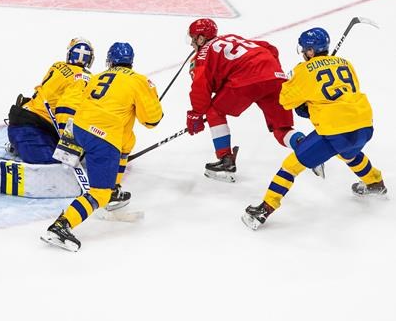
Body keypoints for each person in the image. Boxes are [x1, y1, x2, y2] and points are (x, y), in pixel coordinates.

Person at [241, 27, 387, 230]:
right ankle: (375, 182)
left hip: (335, 130)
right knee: (347, 153)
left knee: (290, 166)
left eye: (304, 49)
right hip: (364, 124)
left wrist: (294, 85)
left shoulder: (303, 70)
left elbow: (285, 101)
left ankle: (264, 210)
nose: (302, 52)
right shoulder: (345, 63)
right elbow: (345, 92)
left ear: (310, 51)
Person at [0, 38, 132, 209]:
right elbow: (67, 108)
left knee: (74, 154)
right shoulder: (84, 78)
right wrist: (70, 143)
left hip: (25, 124)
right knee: (55, 168)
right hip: (31, 130)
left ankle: (18, 147)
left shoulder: (58, 66)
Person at [40, 42, 163, 252]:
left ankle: (112, 189)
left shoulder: (97, 77)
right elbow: (151, 121)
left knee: (127, 140)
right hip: (102, 137)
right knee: (99, 193)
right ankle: (62, 225)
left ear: (110, 61)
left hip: (78, 128)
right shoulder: (139, 81)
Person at [185, 18, 320, 182]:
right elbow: (270, 48)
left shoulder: (202, 55)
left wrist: (196, 114)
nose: (191, 43)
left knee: (214, 111)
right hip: (275, 77)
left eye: (193, 39)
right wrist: (272, 72)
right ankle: (307, 147)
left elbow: (200, 87)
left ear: (201, 39)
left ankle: (225, 160)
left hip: (247, 80)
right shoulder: (231, 37)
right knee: (281, 129)